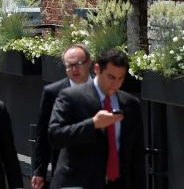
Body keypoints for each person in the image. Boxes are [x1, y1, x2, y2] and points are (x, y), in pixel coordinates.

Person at [48, 49, 145, 189]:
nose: (116, 84)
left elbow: (137, 155)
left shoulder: (129, 104)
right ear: (97, 69)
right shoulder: (71, 97)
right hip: (78, 183)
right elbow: (55, 136)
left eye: (121, 78)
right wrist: (92, 124)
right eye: (111, 77)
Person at [32, 44, 94, 189]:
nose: (74, 69)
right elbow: (43, 134)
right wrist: (39, 171)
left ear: (89, 62)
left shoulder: (103, 88)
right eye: (69, 65)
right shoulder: (53, 93)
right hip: (65, 172)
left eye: (78, 64)